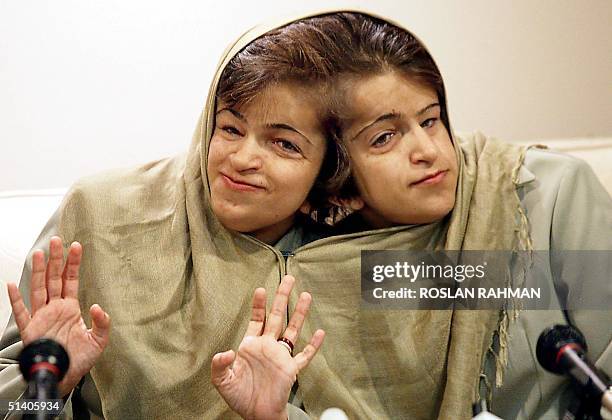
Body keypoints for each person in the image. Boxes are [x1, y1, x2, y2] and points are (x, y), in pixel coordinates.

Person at [211, 11, 612, 420]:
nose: (429, 150)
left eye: (430, 120)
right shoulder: (312, 268)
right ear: (341, 190)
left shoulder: (552, 193)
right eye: (385, 137)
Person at [0, 13, 343, 419]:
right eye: (231, 128)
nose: (242, 158)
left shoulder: (346, 256)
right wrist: (48, 384)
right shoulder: (99, 211)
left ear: (326, 171)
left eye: (283, 143)